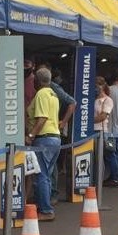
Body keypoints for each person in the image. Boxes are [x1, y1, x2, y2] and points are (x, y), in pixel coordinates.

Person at [25, 67, 61, 219]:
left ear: (37, 81)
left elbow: (42, 118)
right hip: (55, 138)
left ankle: (46, 210)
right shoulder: (54, 94)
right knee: (47, 175)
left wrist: (31, 135)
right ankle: (44, 205)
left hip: (43, 138)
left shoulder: (41, 94)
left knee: (41, 176)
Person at [41, 65, 75, 201]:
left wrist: (63, 121)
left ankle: (52, 193)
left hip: (48, 132)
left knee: (49, 166)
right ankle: (45, 195)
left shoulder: (53, 87)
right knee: (47, 166)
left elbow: (72, 102)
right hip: (48, 132)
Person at [93, 77, 113, 185]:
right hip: (91, 131)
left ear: (103, 86)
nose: (96, 88)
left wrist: (87, 121)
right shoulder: (94, 99)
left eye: (98, 85)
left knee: (100, 157)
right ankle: (94, 179)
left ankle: (99, 180)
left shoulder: (108, 100)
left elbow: (103, 116)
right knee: (93, 157)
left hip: (101, 131)